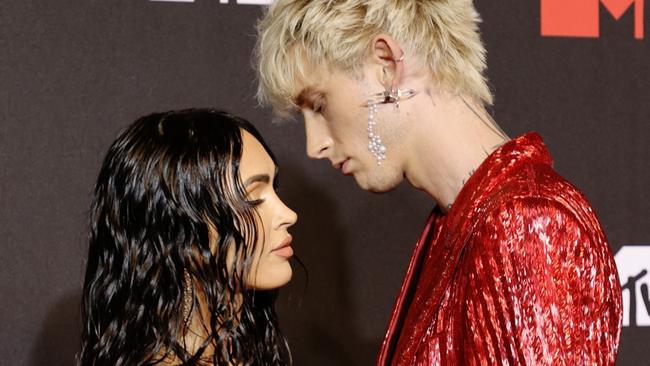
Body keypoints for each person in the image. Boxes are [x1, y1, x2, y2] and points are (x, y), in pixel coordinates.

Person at [255, 1, 622, 365]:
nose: (313, 145)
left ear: (385, 65)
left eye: (319, 105)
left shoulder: (524, 223)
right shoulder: (458, 222)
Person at [78, 109, 298, 366]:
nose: (288, 214)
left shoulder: (241, 350)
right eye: (251, 197)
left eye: (274, 187)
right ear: (182, 230)